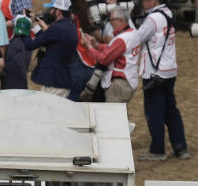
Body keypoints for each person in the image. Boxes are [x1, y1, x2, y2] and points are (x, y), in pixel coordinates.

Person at [133, 0, 188, 161]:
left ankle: (157, 150)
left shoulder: (152, 19)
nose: (142, 3)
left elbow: (137, 38)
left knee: (153, 112)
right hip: (169, 70)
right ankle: (180, 147)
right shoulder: (169, 13)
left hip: (153, 72)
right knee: (171, 110)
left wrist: (134, 19)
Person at [80, 7, 139, 104]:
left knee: (113, 117)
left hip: (118, 86)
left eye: (111, 20)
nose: (110, 23)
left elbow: (103, 59)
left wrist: (89, 47)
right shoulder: (132, 33)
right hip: (127, 82)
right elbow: (114, 49)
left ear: (120, 20)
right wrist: (97, 45)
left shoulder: (122, 39)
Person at [23, 0, 77, 97]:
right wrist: (34, 24)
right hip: (60, 82)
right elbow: (48, 39)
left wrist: (23, 26)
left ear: (58, 11)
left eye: (52, 9)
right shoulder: (70, 27)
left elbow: (30, 45)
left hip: (55, 84)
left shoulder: (57, 28)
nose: (50, 12)